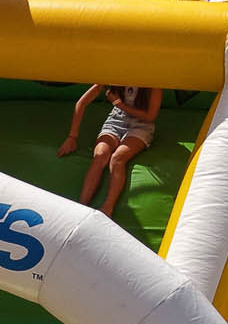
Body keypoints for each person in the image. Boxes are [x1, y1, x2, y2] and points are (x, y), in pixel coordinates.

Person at [64, 81, 162, 221]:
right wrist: (72, 137)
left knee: (117, 158)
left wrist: (119, 103)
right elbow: (82, 102)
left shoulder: (153, 85)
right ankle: (82, 205)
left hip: (141, 126)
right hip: (116, 121)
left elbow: (150, 116)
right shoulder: (115, 77)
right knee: (100, 155)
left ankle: (107, 207)